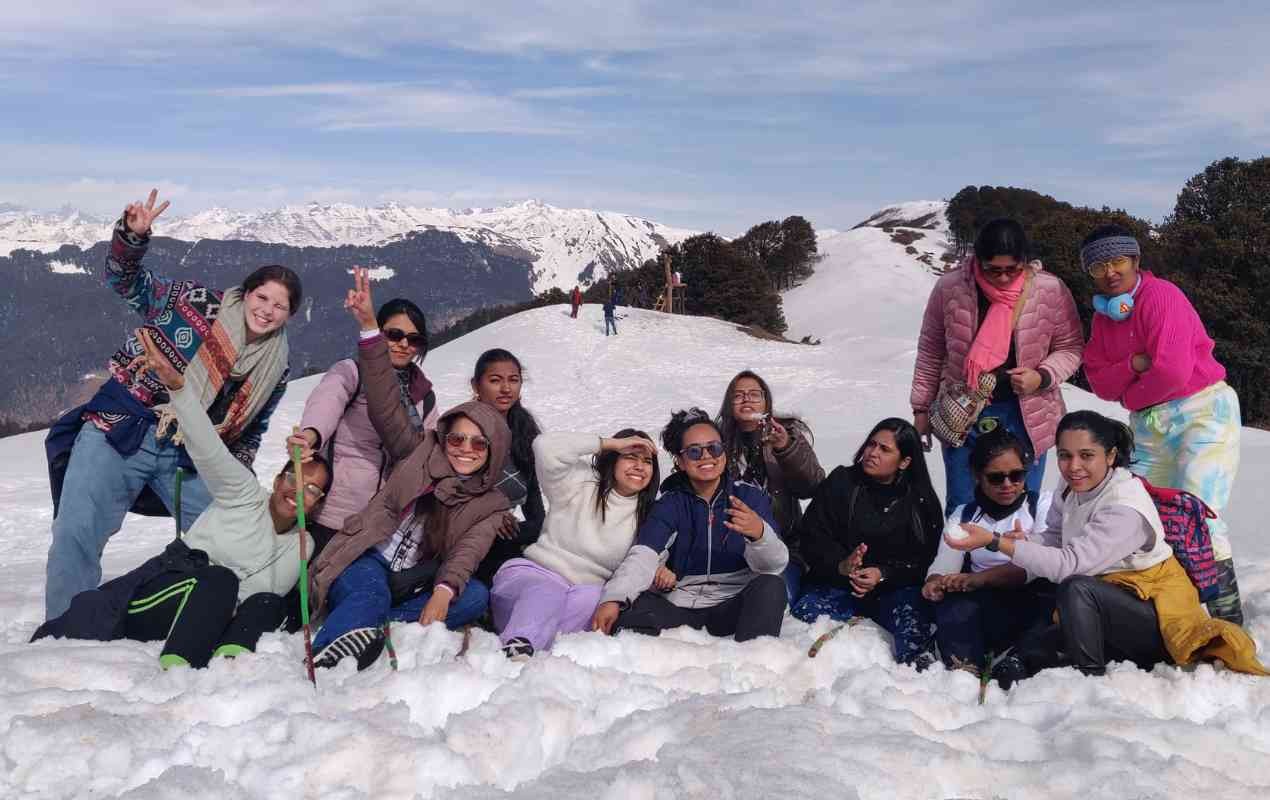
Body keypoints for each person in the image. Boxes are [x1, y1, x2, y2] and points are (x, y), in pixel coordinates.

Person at [44, 190, 297, 621]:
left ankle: (224, 614)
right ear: (245, 293)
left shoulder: (276, 366)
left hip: (190, 454)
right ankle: (63, 629)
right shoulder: (195, 302)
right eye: (262, 297)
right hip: (121, 428)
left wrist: (237, 483)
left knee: (236, 532)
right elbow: (126, 282)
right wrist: (131, 236)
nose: (268, 310)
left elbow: (251, 432)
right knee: (78, 530)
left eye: (281, 306)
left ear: (290, 316)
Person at [33, 331, 329, 668]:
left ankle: (231, 668)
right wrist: (178, 389)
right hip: (165, 595)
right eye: (294, 478)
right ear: (278, 479)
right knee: (221, 580)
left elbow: (269, 594)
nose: (297, 490)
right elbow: (206, 446)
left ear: (317, 503)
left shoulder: (303, 543)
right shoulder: (244, 493)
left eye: (312, 489)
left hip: (211, 613)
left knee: (268, 602)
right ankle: (179, 670)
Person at [943, 410, 1266, 681]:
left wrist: (998, 543)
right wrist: (1026, 542)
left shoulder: (1125, 505)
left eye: (1087, 455)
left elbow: (1072, 565)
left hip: (1157, 614)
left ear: (1110, 456)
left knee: (1074, 588)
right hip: (1110, 605)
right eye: (1065, 455)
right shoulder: (1072, 487)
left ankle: (1088, 677)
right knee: (1033, 645)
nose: (1073, 466)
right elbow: (1055, 537)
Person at [306, 398, 513, 670]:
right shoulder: (419, 454)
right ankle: (326, 652)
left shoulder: (492, 505)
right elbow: (386, 404)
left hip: (416, 579)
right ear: (444, 439)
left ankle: (370, 621)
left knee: (474, 595)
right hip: (369, 560)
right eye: (456, 440)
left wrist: (443, 591)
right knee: (371, 592)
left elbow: (469, 551)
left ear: (492, 451)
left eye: (478, 443)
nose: (465, 449)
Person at [1080, 225, 1242, 571]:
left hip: (1201, 411)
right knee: (1143, 512)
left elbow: (1173, 371)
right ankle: (1169, 608)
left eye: (1118, 261)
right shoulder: (1103, 318)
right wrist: (1135, 363)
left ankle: (1226, 614)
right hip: (1148, 424)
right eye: (1098, 266)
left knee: (1198, 512)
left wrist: (1130, 394)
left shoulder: (1161, 296)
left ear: (1136, 260)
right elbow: (1099, 383)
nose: (1110, 272)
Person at [910, 218, 1083, 513]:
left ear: (1025, 262)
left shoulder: (1049, 289)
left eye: (1012, 270)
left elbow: (1071, 347)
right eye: (993, 270)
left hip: (1028, 412)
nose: (1003, 278)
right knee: (963, 502)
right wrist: (921, 409)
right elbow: (931, 349)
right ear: (977, 260)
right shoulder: (950, 287)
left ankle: (1016, 559)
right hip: (964, 412)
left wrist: (1041, 377)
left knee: (1021, 501)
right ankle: (960, 558)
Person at [592, 408, 788, 642]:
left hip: (732, 605)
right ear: (681, 461)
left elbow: (775, 564)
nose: (706, 456)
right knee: (632, 610)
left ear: (723, 454)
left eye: (714, 448)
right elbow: (644, 555)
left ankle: (753, 662)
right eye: (694, 452)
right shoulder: (670, 504)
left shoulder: (749, 497)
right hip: (680, 606)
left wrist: (760, 534)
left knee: (772, 586)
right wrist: (614, 598)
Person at [287, 269, 438, 559]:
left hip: (382, 522)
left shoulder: (425, 396)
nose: (404, 344)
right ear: (379, 333)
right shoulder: (352, 372)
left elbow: (427, 453)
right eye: (394, 335)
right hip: (332, 513)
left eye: (414, 339)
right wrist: (311, 435)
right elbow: (326, 403)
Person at [490, 430, 659, 659]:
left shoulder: (649, 514)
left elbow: (642, 561)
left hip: (584, 592)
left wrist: (661, 569)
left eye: (647, 461)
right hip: (535, 575)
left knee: (597, 602)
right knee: (546, 591)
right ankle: (517, 646)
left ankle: (539, 650)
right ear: (613, 457)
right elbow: (545, 445)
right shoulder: (580, 482)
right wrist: (612, 443)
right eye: (630, 456)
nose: (640, 466)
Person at [792, 418, 944, 668]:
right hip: (838, 585)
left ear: (905, 462)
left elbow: (926, 559)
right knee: (805, 614)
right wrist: (841, 565)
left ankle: (917, 678)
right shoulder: (842, 482)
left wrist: (883, 573)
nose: (872, 453)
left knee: (914, 626)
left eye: (885, 449)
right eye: (871, 444)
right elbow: (811, 536)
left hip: (894, 591)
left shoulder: (920, 500)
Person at [922, 428, 1055, 676]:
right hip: (986, 601)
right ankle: (964, 664)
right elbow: (945, 562)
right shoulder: (964, 514)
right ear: (977, 477)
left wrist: (1019, 547)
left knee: (1053, 604)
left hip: (1031, 598)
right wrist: (937, 583)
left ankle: (1020, 659)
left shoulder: (1042, 505)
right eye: (996, 478)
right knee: (953, 605)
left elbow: (1039, 565)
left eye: (1016, 476)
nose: (1008, 485)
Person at [715, 370, 825, 602]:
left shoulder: (787, 434)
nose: (746, 399)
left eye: (754, 394)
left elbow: (813, 487)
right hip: (730, 549)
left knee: (774, 600)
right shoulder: (716, 442)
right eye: (738, 395)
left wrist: (785, 448)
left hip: (783, 548)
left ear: (766, 401)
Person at [471, 349, 548, 586]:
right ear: (476, 385)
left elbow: (532, 494)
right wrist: (493, 514)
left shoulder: (523, 428)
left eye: (513, 380)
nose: (506, 389)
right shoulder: (466, 428)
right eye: (495, 380)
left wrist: (541, 531)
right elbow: (454, 489)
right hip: (469, 533)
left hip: (506, 534)